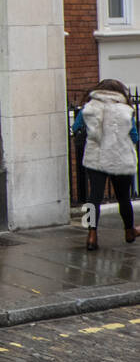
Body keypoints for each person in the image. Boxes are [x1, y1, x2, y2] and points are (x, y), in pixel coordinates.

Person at [72, 79, 138, 251]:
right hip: (120, 158)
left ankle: (92, 235)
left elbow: (76, 127)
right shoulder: (126, 110)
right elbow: (134, 136)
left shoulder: (89, 108)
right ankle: (129, 231)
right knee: (123, 197)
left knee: (94, 197)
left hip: (96, 158)